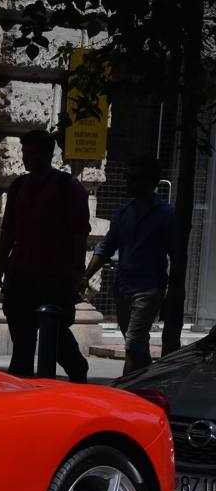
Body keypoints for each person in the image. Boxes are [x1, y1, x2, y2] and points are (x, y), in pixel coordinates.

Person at [0, 130, 91, 382]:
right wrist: (0, 266)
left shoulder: (68, 187)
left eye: (31, 152)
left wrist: (78, 271)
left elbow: (80, 233)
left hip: (53, 277)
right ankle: (22, 389)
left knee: (55, 336)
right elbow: (8, 231)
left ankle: (77, 369)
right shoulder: (19, 186)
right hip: (21, 275)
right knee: (22, 343)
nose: (26, 157)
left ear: (46, 154)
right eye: (24, 151)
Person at [77, 155, 174, 375]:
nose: (128, 183)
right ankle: (147, 385)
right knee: (138, 346)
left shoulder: (167, 215)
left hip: (148, 290)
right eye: (126, 177)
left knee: (133, 344)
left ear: (150, 181)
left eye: (134, 178)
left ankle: (125, 393)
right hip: (123, 288)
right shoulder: (123, 213)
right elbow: (106, 248)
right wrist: (85, 276)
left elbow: (176, 256)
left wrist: (170, 296)